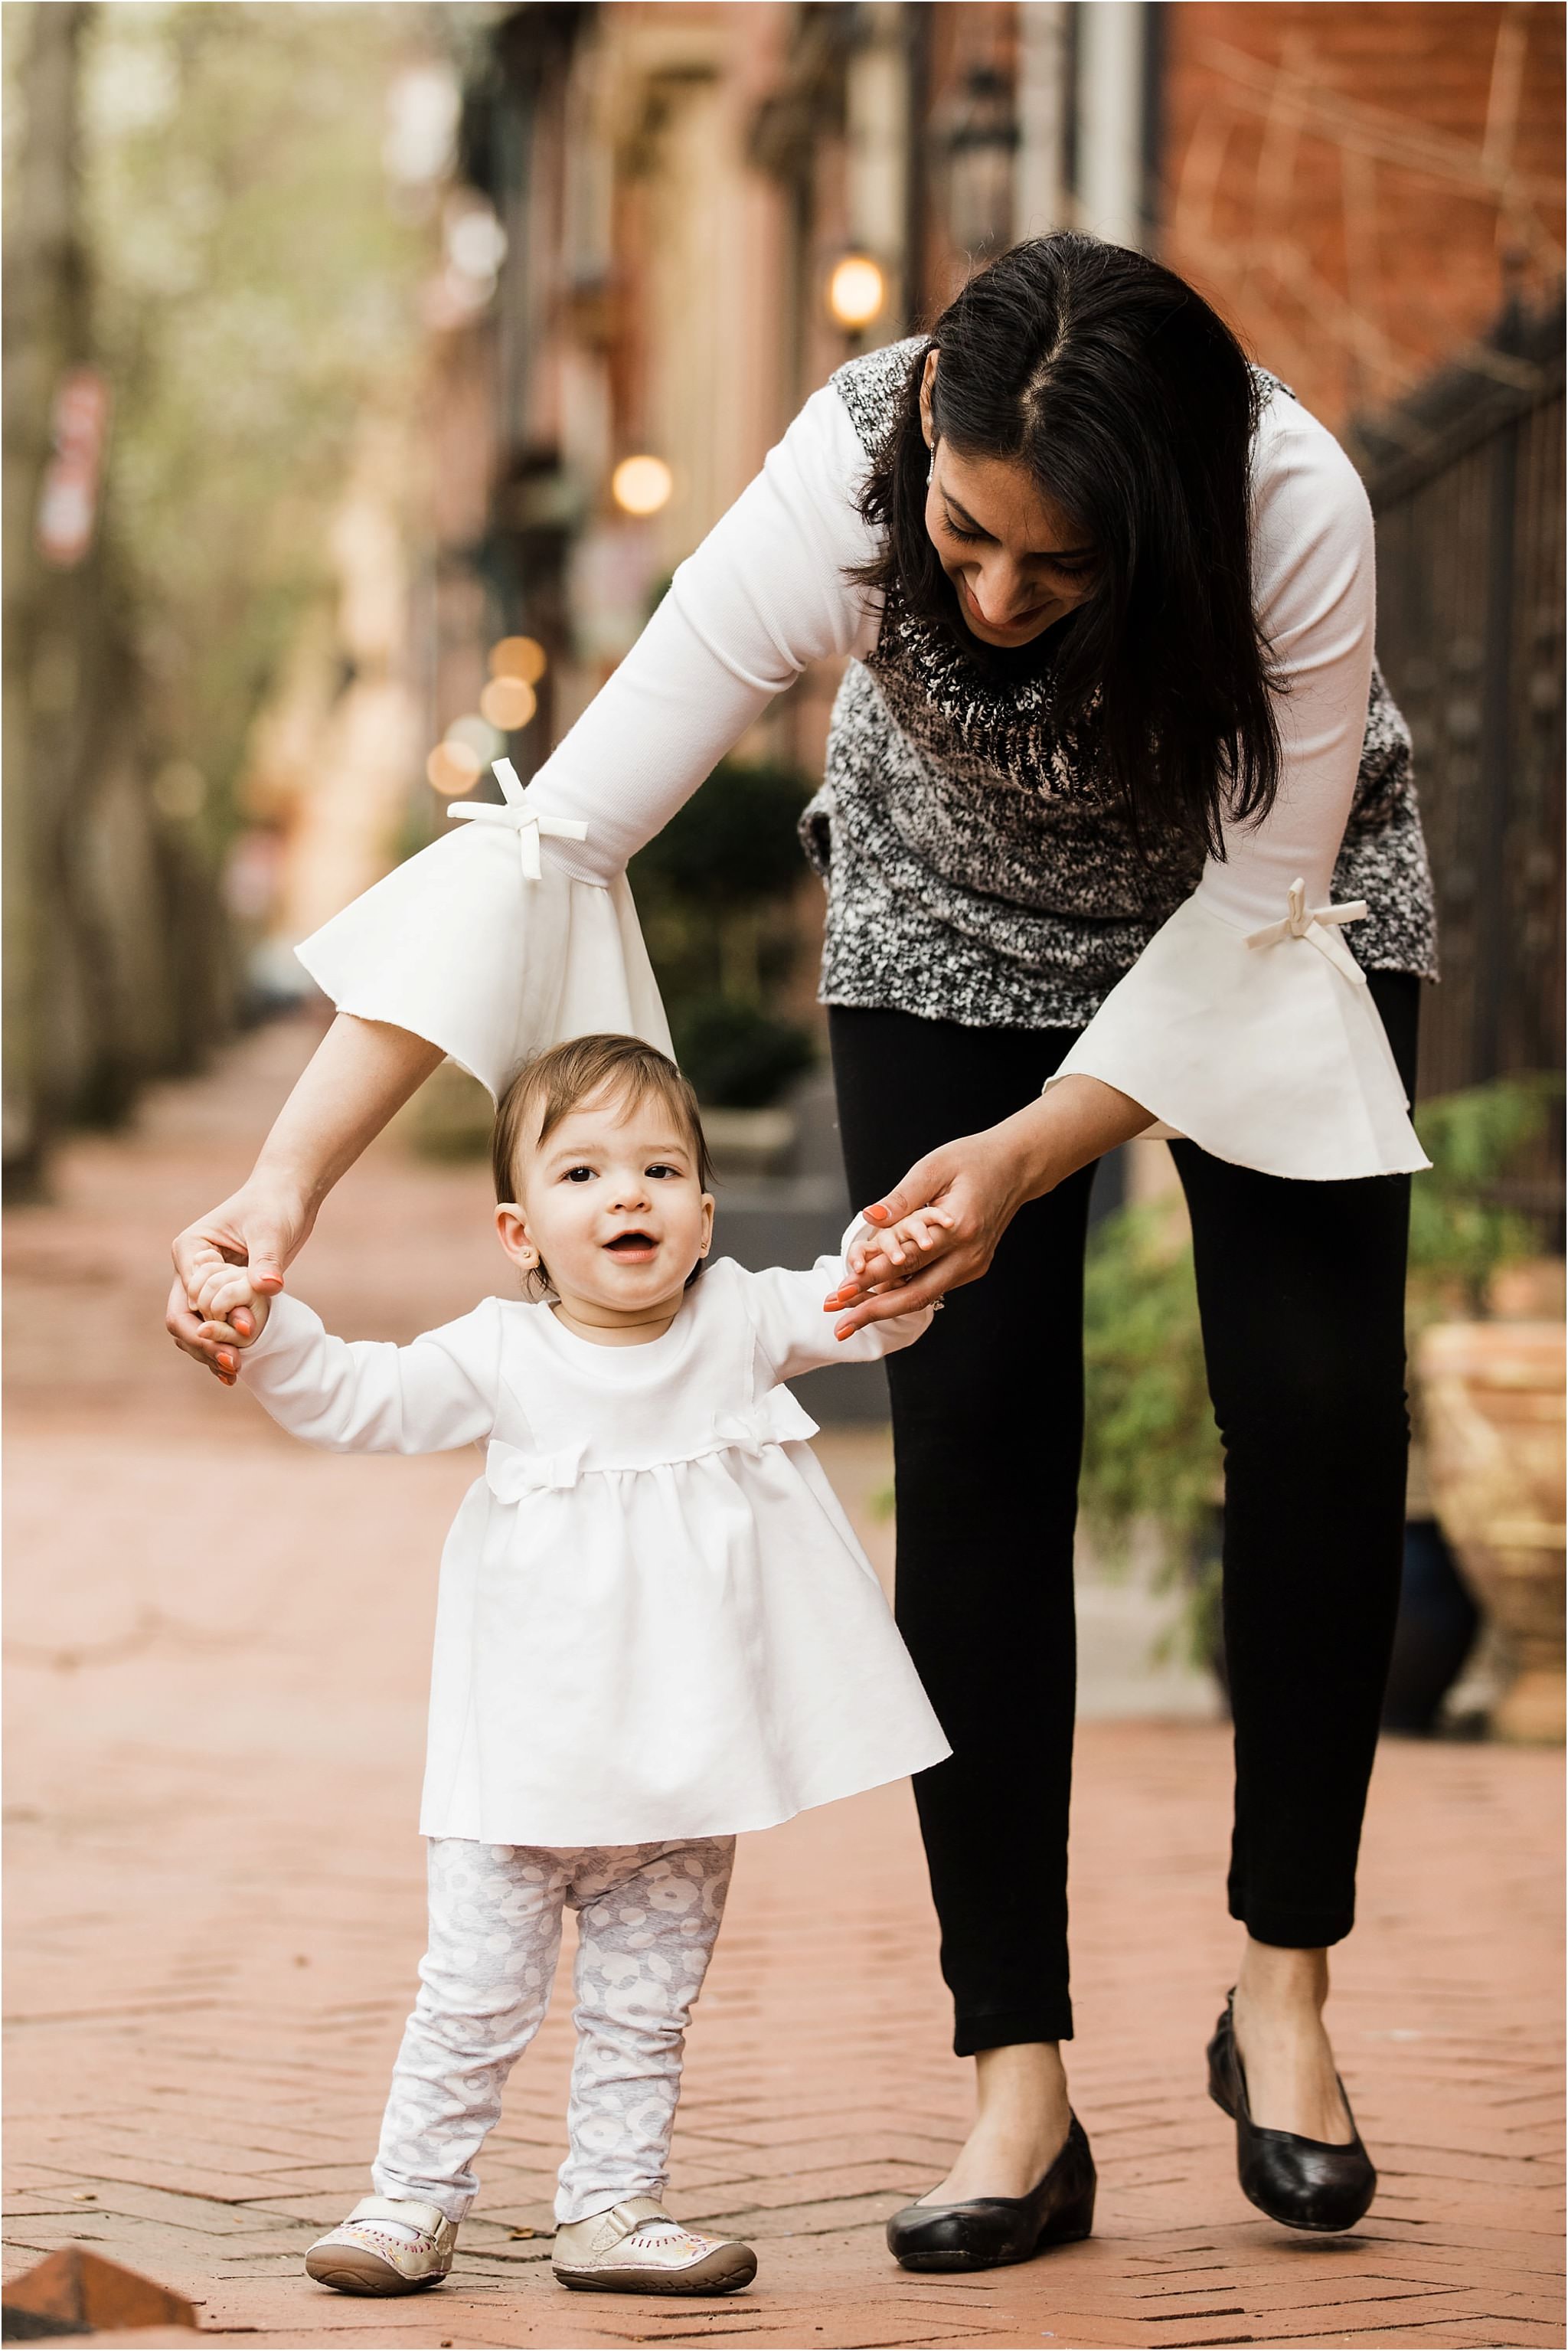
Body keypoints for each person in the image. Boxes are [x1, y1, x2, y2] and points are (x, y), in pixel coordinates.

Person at [172, 234, 1432, 2268]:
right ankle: (1013, 2068)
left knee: (1311, 1408)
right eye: (966, 540)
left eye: (1060, 567)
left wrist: (1032, 1150)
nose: (997, 595)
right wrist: (287, 1181)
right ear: (921, 448)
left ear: (1168, 519)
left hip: (1268, 914)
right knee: (977, 1430)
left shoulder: (1288, 502)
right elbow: (559, 832)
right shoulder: (839, 478)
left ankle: (1281, 1978)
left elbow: (1261, 900)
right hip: (947, 920)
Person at [204, 1033, 951, 2298]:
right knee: (474, 1999)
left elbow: (865, 1304)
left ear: (706, 1214)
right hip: (523, 1773)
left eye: (662, 1168)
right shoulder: (503, 1355)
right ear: (519, 1230)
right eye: (585, 1172)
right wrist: (264, 1324)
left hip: (684, 1771)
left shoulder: (739, 1320)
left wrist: (899, 1262)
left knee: (641, 2010)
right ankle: (410, 2198)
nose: (628, 1195)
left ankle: (612, 2203)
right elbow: (359, 1397)